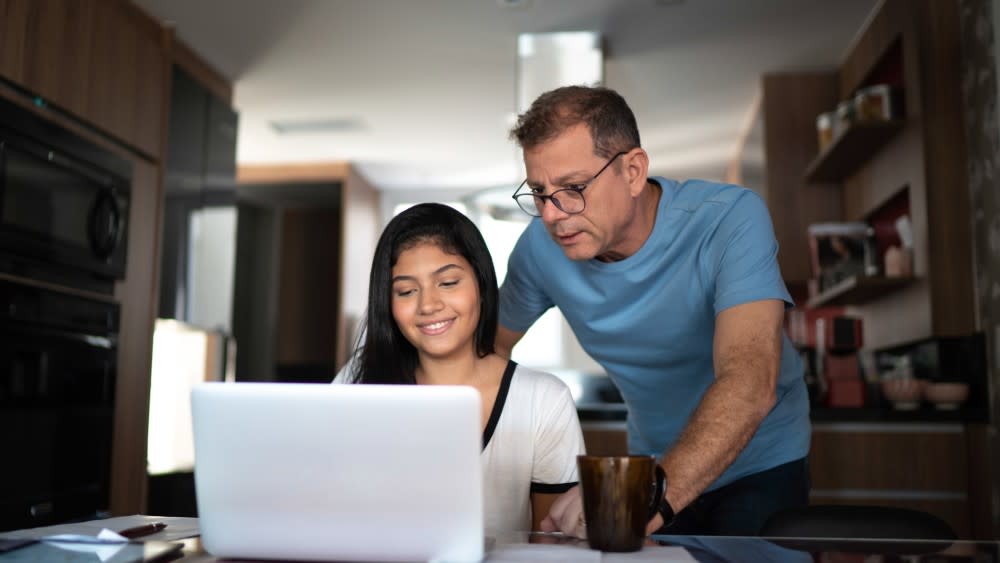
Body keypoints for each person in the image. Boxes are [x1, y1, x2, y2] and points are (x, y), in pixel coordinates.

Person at [497, 85, 810, 537]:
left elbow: (750, 381)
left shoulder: (729, 219)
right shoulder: (539, 251)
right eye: (540, 193)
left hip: (760, 461)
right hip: (652, 459)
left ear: (633, 171)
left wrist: (645, 495)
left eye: (572, 188)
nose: (551, 214)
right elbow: (485, 353)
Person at [334, 202, 585, 535]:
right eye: (407, 291)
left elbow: (554, 542)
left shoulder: (544, 401)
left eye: (448, 282)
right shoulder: (357, 381)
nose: (428, 305)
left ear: (481, 285)